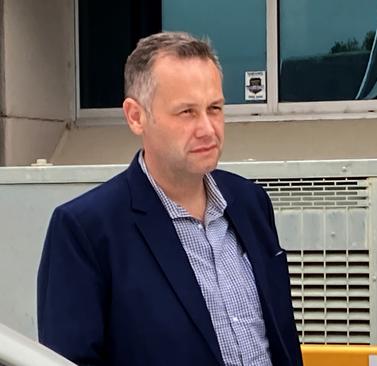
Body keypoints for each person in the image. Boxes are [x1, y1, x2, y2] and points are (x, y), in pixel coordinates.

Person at [37, 32, 303, 366]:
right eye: (187, 112)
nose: (208, 128)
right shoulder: (86, 231)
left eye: (215, 108)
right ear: (136, 116)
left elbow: (281, 338)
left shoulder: (250, 203)